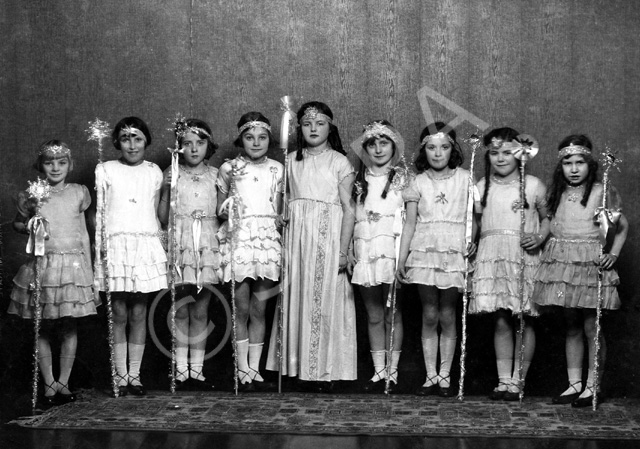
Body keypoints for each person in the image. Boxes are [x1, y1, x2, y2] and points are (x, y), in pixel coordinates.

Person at [266, 101, 357, 392]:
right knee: (300, 297)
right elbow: (285, 202)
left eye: (319, 124)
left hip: (328, 239)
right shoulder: (291, 161)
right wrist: (283, 214)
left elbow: (349, 210)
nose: (313, 129)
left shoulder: (340, 162)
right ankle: (297, 368)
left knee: (326, 301)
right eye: (307, 124)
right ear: (299, 128)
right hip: (298, 242)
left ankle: (323, 371)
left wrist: (343, 250)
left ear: (330, 127)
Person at [533, 135, 628, 407]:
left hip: (589, 265)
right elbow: (552, 224)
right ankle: (574, 383)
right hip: (563, 264)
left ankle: (593, 384)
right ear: (560, 165)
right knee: (571, 325)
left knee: (591, 326)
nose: (574, 169)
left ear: (590, 165)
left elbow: (622, 228)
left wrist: (612, 253)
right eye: (567, 163)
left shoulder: (602, 190)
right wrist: (538, 238)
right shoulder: (557, 193)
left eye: (580, 163)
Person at [9, 140, 99, 407]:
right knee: (44, 325)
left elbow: (83, 233)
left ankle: (64, 381)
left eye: (61, 162)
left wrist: (90, 269)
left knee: (69, 325)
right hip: (43, 266)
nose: (55, 167)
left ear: (69, 165)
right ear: (41, 165)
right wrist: (28, 225)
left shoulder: (78, 193)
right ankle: (48, 383)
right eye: (49, 162)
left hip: (72, 267)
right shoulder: (33, 194)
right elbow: (16, 222)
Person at [397, 122, 477, 397]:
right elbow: (409, 224)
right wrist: (402, 259)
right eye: (431, 147)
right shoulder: (418, 182)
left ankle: (445, 375)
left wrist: (471, 241)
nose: (438, 153)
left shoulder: (465, 178)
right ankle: (430, 375)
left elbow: (472, 218)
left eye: (444, 147)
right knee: (429, 313)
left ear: (452, 150)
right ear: (423, 151)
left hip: (453, 249)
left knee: (448, 313)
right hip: (425, 249)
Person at [469, 127, 549, 401]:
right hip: (492, 253)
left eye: (507, 152)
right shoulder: (481, 187)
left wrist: (538, 237)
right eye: (494, 153)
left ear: (520, 153)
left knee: (524, 320)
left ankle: (519, 380)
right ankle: (504, 380)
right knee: (501, 319)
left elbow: (548, 218)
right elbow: (476, 222)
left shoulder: (534, 185)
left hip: (521, 255)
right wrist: (471, 241)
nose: (500, 158)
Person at [95, 117, 168, 396]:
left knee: (139, 312)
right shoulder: (105, 169)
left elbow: (159, 216)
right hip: (117, 245)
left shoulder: (154, 172)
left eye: (137, 138)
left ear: (146, 141)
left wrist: (162, 248)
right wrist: (100, 245)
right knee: (118, 313)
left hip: (144, 244)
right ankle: (119, 374)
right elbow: (100, 212)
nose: (132, 144)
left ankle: (134, 376)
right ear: (117, 142)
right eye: (126, 138)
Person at [217, 112, 283, 392]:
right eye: (249, 137)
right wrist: (229, 209)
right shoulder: (229, 168)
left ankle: (254, 369)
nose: (256, 142)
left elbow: (279, 206)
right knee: (240, 308)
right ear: (240, 139)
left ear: (269, 139)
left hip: (267, 240)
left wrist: (281, 216)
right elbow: (219, 209)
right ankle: (240, 368)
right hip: (241, 237)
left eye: (262, 137)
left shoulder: (278, 169)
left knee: (260, 308)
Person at [159, 118, 220, 391]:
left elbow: (223, 212)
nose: (194, 149)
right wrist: (164, 187)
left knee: (201, 309)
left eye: (200, 143)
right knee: (180, 309)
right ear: (178, 147)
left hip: (206, 243)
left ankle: (198, 370)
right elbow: (162, 217)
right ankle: (180, 370)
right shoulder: (171, 173)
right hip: (181, 242)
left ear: (209, 145)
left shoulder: (218, 175)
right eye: (187, 144)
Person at [351, 120, 408, 393]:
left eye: (384, 143)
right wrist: (349, 249)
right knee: (373, 314)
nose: (378, 149)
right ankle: (379, 371)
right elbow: (350, 217)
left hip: (391, 250)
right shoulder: (357, 180)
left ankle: (393, 371)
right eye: (372, 144)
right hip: (365, 248)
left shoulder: (403, 178)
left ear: (393, 145)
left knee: (392, 312)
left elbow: (411, 219)